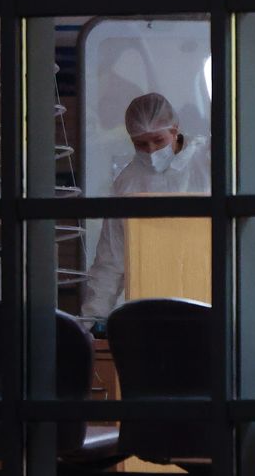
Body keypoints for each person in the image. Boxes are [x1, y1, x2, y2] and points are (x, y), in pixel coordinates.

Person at [82, 93, 210, 318]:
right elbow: (111, 260)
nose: (151, 151)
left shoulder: (208, 163)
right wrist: (90, 321)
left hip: (210, 298)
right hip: (150, 307)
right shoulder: (128, 183)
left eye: (158, 141)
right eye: (141, 144)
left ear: (174, 130)